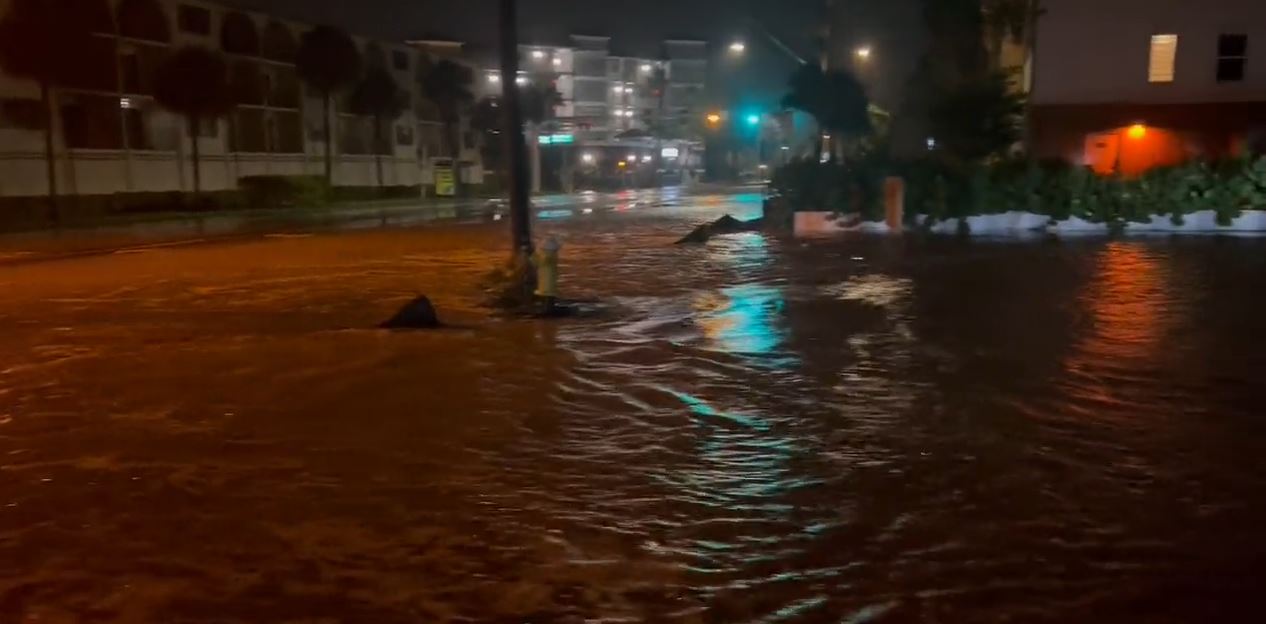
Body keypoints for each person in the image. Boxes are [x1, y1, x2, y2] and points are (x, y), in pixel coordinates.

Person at [534, 236, 561, 313]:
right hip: (547, 282)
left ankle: (547, 310)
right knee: (548, 297)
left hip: (547, 283)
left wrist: (535, 253)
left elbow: (536, 262)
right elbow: (536, 262)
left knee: (547, 298)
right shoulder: (551, 256)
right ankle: (547, 308)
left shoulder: (547, 256)